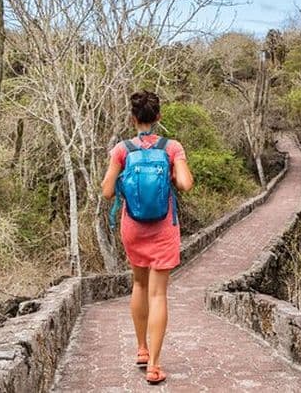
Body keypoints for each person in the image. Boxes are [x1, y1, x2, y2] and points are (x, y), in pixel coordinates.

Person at [101, 90, 194, 385]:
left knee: (139, 285)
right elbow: (186, 183)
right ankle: (154, 365)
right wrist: (172, 173)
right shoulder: (172, 147)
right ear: (158, 117)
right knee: (158, 294)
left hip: (133, 227)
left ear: (133, 118)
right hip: (164, 228)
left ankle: (141, 349)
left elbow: (107, 191)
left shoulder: (122, 149)